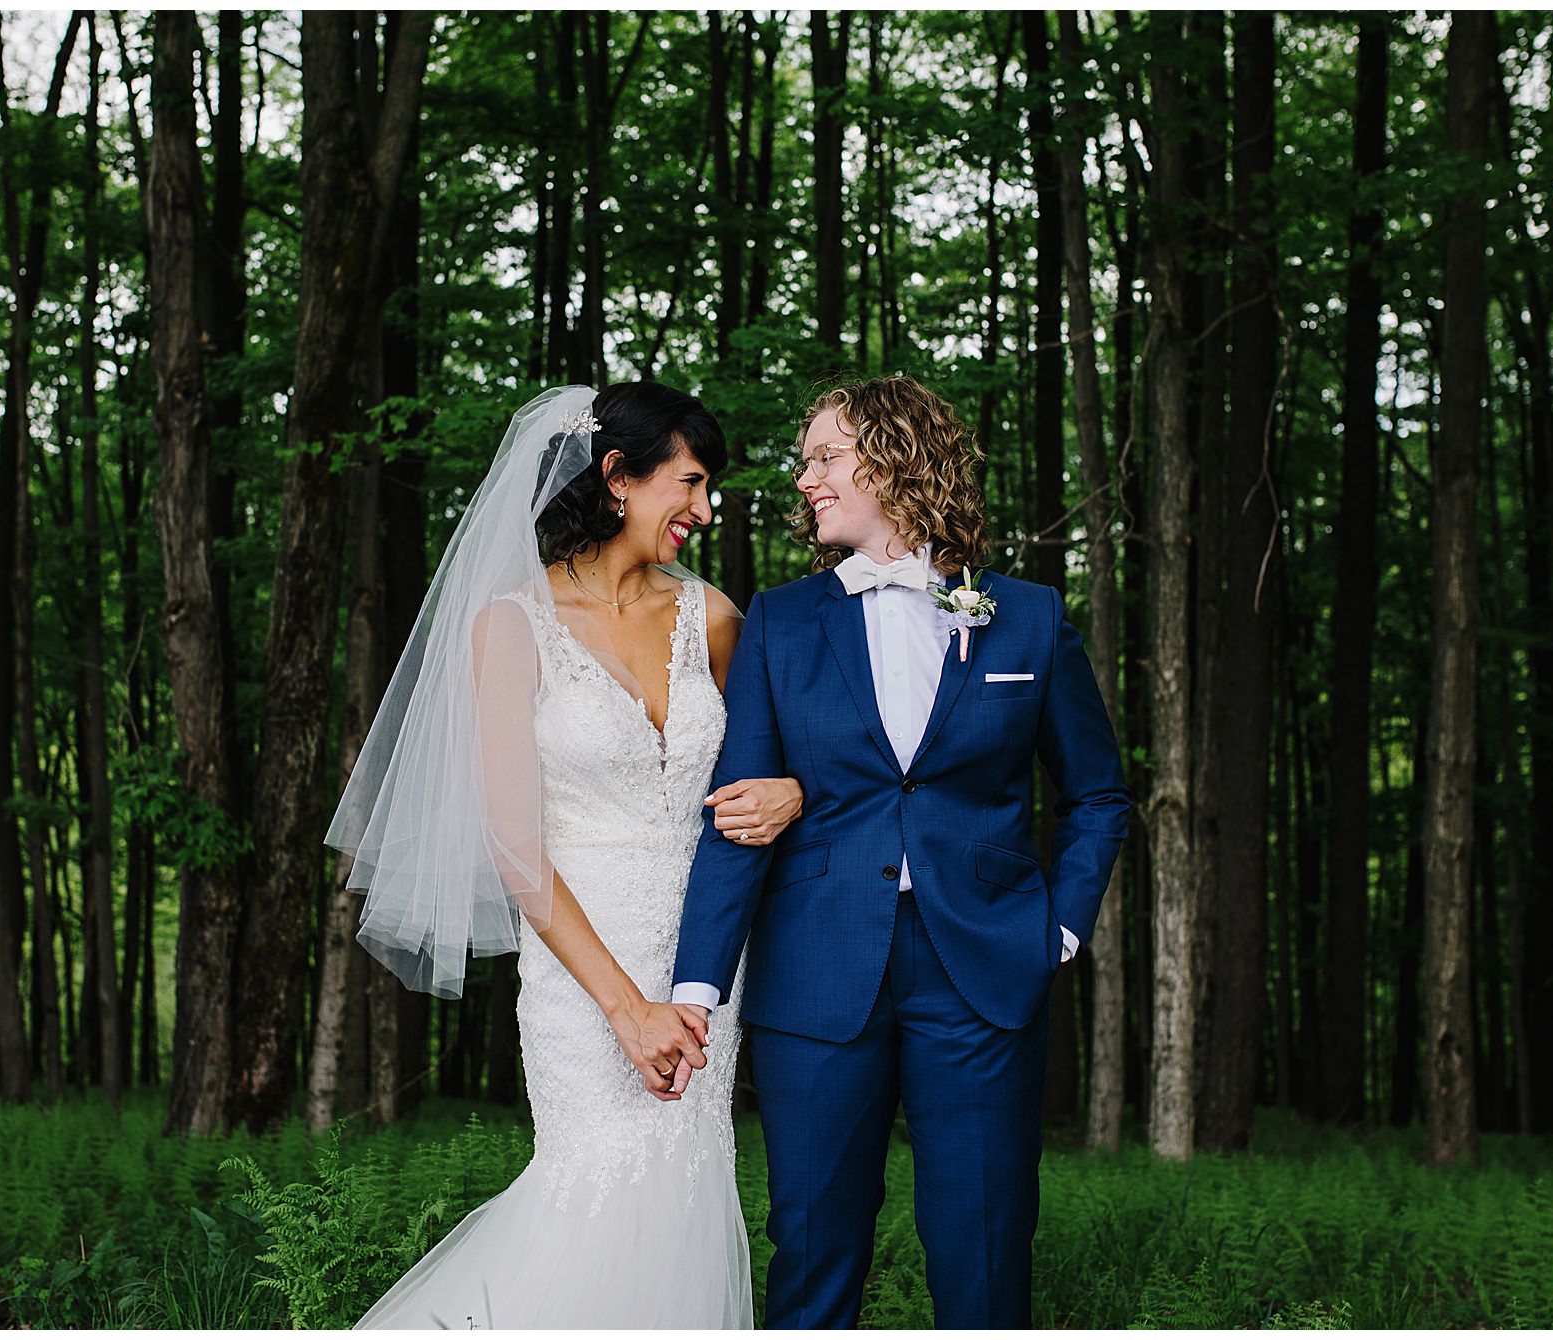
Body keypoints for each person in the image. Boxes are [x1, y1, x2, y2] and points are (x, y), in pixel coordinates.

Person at [327, 383, 802, 1329]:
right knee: (593, 1179)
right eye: (692, 482)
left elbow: (790, 754)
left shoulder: (713, 617)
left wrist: (793, 794)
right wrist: (627, 1011)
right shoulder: (512, 625)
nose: (706, 511)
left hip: (707, 956)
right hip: (584, 969)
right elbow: (516, 845)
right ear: (618, 477)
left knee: (685, 1180)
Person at [670, 374, 1131, 1328]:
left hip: (985, 971)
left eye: (824, 457)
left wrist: (1059, 934)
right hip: (818, 971)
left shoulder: (1028, 616)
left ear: (895, 459)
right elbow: (738, 812)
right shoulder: (782, 624)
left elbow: (1096, 795)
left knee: (986, 1252)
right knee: (813, 1251)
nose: (805, 479)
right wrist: (695, 988)